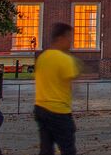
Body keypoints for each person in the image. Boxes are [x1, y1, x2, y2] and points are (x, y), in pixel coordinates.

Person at [34, 22, 81, 155]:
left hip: (40, 107)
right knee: (67, 148)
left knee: (46, 148)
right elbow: (73, 85)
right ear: (61, 38)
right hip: (59, 110)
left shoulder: (42, 57)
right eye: (69, 38)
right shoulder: (65, 59)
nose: (71, 42)